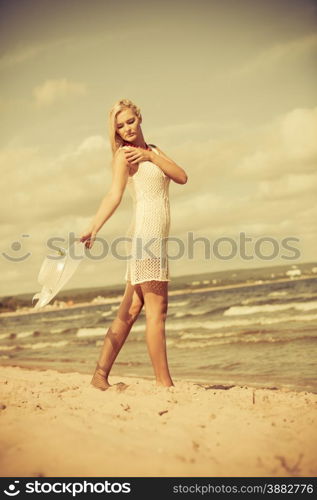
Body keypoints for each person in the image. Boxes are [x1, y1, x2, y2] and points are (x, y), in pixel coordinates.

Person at [80, 98, 188, 390]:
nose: (127, 128)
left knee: (129, 311)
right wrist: (93, 228)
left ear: (139, 118)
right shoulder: (124, 156)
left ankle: (99, 375)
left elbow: (182, 177)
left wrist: (152, 158)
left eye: (130, 121)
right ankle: (164, 384)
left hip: (153, 238)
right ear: (115, 131)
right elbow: (113, 195)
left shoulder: (152, 151)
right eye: (120, 125)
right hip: (146, 237)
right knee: (158, 311)